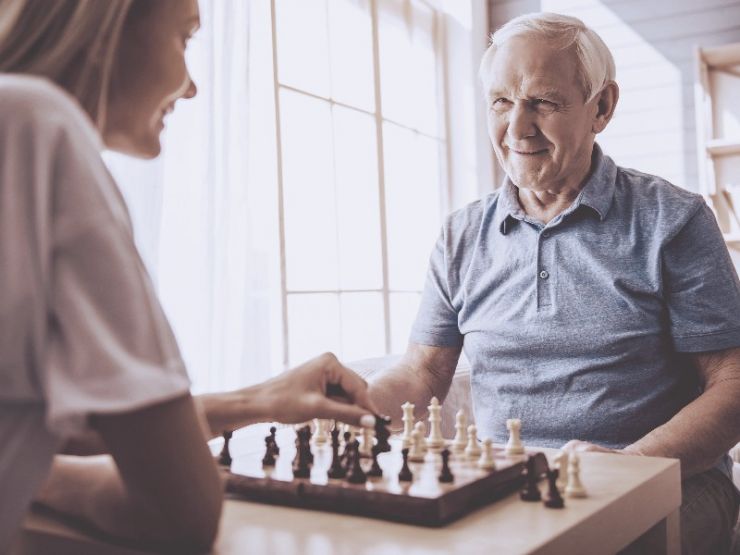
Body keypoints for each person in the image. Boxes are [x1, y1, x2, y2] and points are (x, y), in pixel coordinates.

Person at [0, 0, 377, 552]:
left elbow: (47, 424)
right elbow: (180, 512)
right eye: (185, 39)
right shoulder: (38, 123)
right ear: (108, 26)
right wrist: (46, 477)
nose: (193, 87)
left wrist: (257, 401)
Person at [368, 12, 740, 554]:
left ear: (602, 108)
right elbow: (423, 370)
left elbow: (732, 385)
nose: (517, 129)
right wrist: (352, 403)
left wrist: (631, 467)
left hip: (665, 482)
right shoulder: (460, 234)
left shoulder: (674, 220)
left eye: (544, 101)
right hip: (506, 488)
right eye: (501, 101)